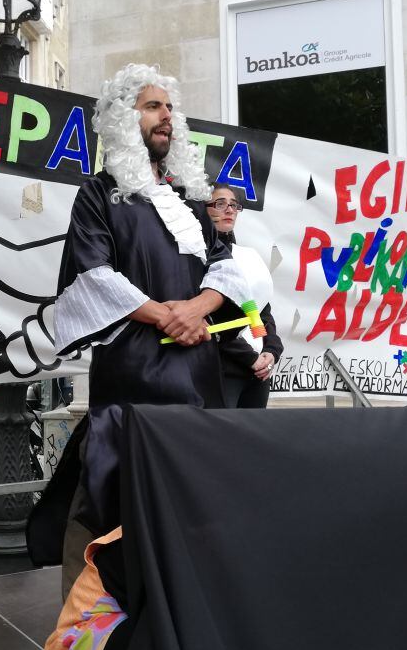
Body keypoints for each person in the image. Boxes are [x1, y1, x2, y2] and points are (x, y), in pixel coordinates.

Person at [31, 63, 249, 595]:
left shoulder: (192, 200)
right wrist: (166, 314)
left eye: (169, 107)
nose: (166, 117)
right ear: (123, 120)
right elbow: (92, 277)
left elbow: (228, 267)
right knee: (117, 513)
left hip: (199, 381)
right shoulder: (98, 194)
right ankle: (105, 640)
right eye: (153, 106)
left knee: (196, 510)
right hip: (132, 384)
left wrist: (198, 308)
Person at [205, 185, 284, 408]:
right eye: (220, 203)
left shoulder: (248, 256)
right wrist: (251, 358)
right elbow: (211, 322)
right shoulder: (196, 257)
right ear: (204, 209)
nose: (229, 210)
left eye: (233, 205)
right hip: (221, 371)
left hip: (257, 374)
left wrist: (270, 350)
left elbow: (258, 312)